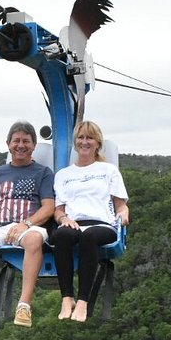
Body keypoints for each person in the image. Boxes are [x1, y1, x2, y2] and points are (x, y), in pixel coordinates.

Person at [0, 121, 55, 328]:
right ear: (8, 144)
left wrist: (26, 224)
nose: (20, 145)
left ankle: (24, 305)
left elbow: (48, 207)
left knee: (34, 239)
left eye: (26, 141)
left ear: (34, 146)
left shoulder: (43, 173)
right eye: (16, 141)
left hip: (28, 226)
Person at [50, 120, 129, 323]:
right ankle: (67, 298)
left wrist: (124, 215)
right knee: (62, 235)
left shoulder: (108, 170)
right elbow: (58, 211)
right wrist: (64, 219)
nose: (85, 142)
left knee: (89, 236)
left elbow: (120, 205)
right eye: (81, 137)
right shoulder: (63, 175)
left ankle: (83, 301)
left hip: (102, 224)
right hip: (74, 222)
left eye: (89, 138)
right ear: (75, 142)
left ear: (97, 143)